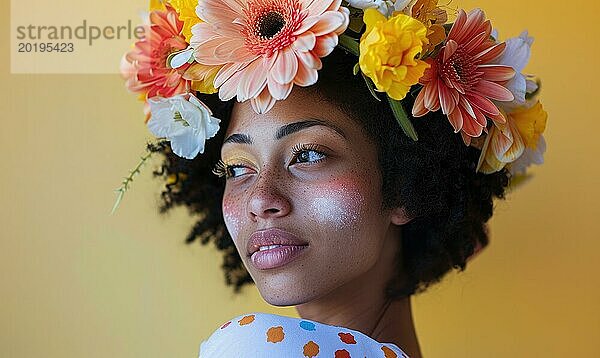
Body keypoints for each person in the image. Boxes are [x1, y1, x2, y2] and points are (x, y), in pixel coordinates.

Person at [119, 1, 548, 356]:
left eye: (307, 155)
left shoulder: (252, 348)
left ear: (405, 187)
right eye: (236, 168)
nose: (260, 198)